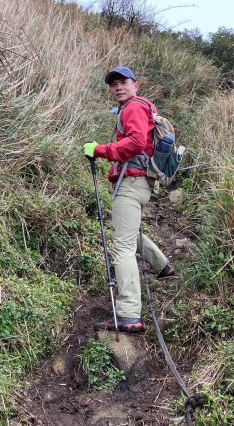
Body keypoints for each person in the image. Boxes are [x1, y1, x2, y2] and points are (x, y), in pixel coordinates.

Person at [84, 66, 176, 334]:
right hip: (141, 183)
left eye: (123, 82)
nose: (118, 88)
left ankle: (128, 314)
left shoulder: (134, 108)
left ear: (136, 85)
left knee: (121, 248)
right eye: (113, 85)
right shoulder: (144, 107)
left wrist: (100, 150)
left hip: (131, 183)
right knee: (130, 232)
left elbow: (136, 142)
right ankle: (163, 267)